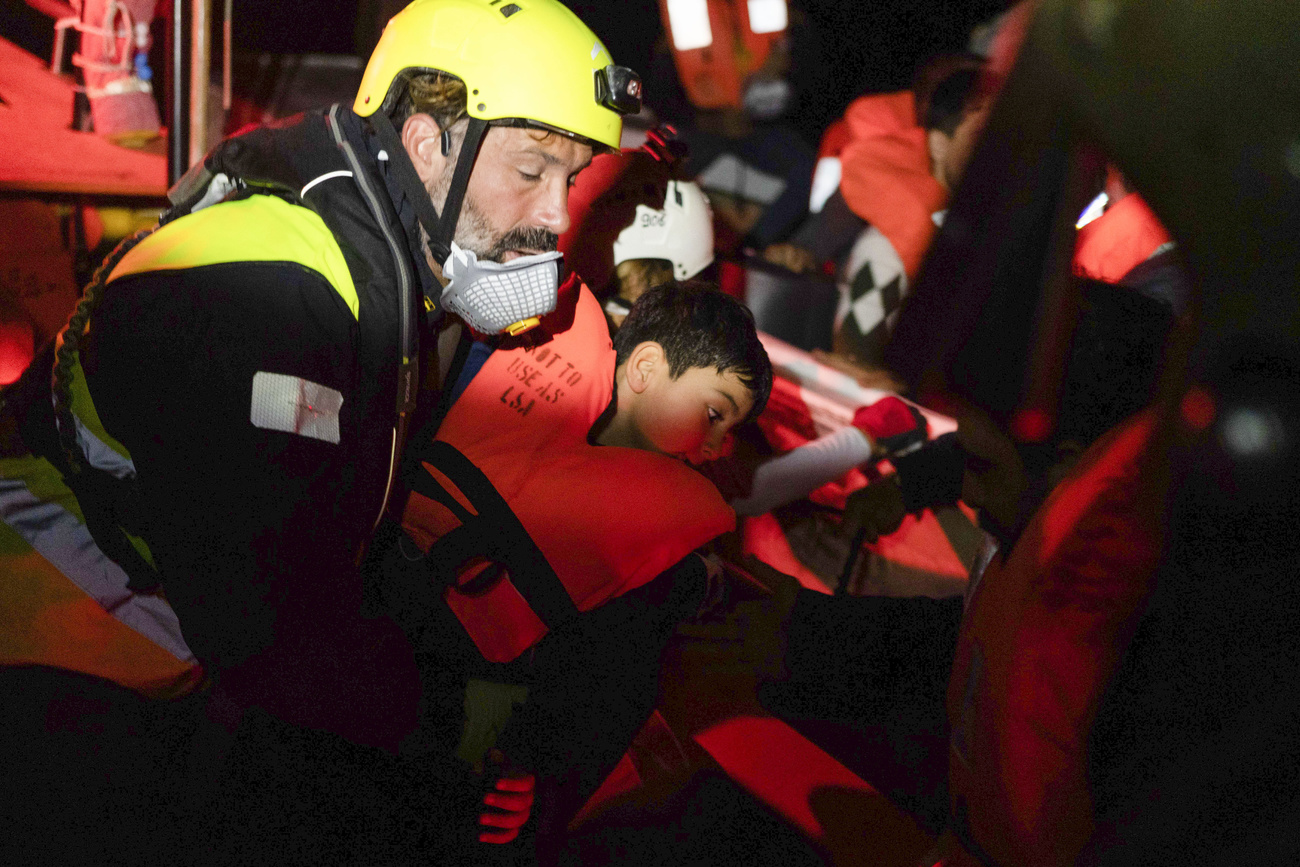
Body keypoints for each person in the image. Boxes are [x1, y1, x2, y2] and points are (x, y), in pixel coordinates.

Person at [6, 0, 645, 861]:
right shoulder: (284, 286)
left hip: (133, 611)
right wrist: (458, 718)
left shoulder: (376, 251)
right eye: (533, 168)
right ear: (427, 144)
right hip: (51, 637)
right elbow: (270, 627)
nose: (557, 215)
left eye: (569, 177)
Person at [381, 280, 770, 853]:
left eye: (729, 430)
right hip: (361, 615)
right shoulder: (500, 352)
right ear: (644, 367)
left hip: (454, 722)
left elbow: (598, 697)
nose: (718, 447)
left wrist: (534, 776)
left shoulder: (664, 562)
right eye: (715, 413)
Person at [764, 53, 991, 368]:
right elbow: (854, 360)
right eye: (980, 134)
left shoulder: (994, 227)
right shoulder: (887, 227)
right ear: (939, 143)